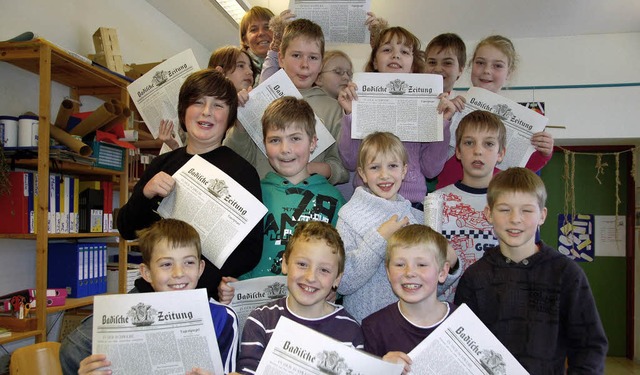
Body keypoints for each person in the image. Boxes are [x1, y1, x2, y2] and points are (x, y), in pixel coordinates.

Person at [117, 69, 263, 300]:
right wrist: (145, 194)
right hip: (150, 293)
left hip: (205, 298)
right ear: (183, 111)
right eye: (198, 102)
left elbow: (251, 251)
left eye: (218, 105)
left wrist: (199, 281)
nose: (207, 112)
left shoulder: (243, 172)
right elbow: (126, 229)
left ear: (230, 116)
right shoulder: (163, 163)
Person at [454, 167, 608, 373]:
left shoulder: (566, 274)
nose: (515, 219)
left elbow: (589, 347)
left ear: (542, 216)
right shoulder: (474, 277)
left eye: (526, 210)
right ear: (489, 214)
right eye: (504, 209)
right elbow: (461, 347)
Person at [61, 219, 239, 375]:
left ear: (200, 268)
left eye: (189, 262)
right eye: (166, 264)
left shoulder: (223, 318)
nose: (178, 273)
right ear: (146, 273)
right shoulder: (124, 323)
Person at [218, 96, 345, 301]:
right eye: (275, 140)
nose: (285, 149)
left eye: (295, 138)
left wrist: (335, 290)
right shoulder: (253, 195)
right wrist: (233, 286)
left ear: (313, 142)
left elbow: (341, 260)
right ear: (264, 144)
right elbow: (241, 256)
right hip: (256, 307)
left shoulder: (334, 199)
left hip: (311, 309)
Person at [336, 132, 460, 322]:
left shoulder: (418, 219)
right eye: (375, 167)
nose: (384, 175)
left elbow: (433, 287)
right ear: (362, 173)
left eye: (392, 166)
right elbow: (343, 282)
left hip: (410, 326)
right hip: (363, 324)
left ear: (404, 170)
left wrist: (451, 265)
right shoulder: (349, 216)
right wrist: (379, 239)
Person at [337, 26, 452, 208]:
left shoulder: (428, 104)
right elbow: (350, 161)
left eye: (404, 51)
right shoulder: (358, 97)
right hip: (367, 203)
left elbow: (431, 169)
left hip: (411, 204)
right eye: (387, 50)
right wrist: (351, 115)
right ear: (375, 61)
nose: (395, 55)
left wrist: (442, 124)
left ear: (413, 65)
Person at [225, 18, 349, 186]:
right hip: (264, 198)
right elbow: (236, 157)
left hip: (307, 201)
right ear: (281, 59)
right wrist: (240, 122)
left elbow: (341, 170)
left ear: (321, 65)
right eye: (296, 55)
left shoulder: (333, 108)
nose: (304, 65)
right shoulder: (259, 97)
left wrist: (311, 168)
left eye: (313, 58)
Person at [232, 221, 364, 375]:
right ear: (285, 263)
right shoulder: (261, 320)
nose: (310, 277)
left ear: (337, 279)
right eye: (302, 264)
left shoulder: (350, 331)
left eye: (324, 270)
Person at [435, 35, 555, 189]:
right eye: (480, 63)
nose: (486, 71)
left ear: (509, 72)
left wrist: (544, 151)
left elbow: (523, 168)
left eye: (497, 66)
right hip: (449, 196)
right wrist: (444, 119)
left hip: (493, 200)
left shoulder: (524, 120)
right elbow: (430, 159)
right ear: (471, 66)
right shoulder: (452, 105)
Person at [362, 224, 456, 374]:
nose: (410, 272)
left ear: (443, 272)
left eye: (421, 264)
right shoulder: (373, 328)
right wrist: (381, 370)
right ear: (388, 272)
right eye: (400, 264)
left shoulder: (463, 322)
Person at [435, 110, 505, 302]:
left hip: (497, 309)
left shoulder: (511, 204)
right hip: (447, 311)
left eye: (489, 144)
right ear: (457, 151)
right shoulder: (436, 201)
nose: (478, 151)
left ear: (501, 154)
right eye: (469, 143)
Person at [159, 46, 255, 151]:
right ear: (220, 71)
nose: (249, 72)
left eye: (250, 67)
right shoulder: (191, 116)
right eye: (240, 66)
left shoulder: (251, 109)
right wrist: (174, 148)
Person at [239, 6, 275, 84]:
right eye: (254, 29)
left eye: (267, 27)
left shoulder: (290, 64)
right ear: (245, 40)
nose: (261, 33)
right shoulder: (236, 70)